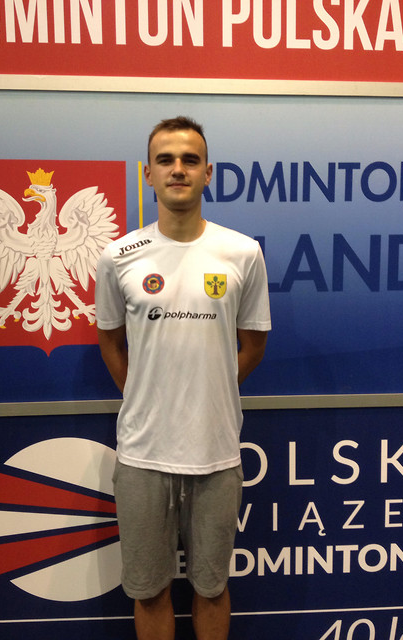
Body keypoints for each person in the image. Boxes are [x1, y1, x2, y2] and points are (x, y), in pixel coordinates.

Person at [95, 116, 271, 640]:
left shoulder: (242, 252)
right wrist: (147, 396)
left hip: (215, 452)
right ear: (147, 174)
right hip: (143, 453)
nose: (178, 169)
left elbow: (253, 344)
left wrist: (209, 394)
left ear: (207, 173)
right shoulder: (118, 256)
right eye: (166, 160)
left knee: (211, 587)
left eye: (190, 160)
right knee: (148, 590)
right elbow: (110, 341)